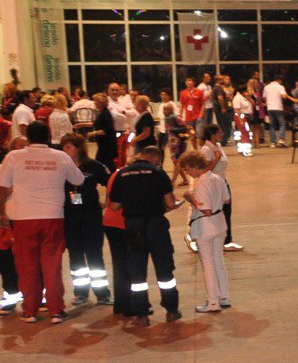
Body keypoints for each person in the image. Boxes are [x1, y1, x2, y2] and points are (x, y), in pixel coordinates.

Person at [0, 121, 86, 322]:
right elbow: (79, 180)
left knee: (26, 265)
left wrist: (2, 214)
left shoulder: (13, 157)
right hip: (52, 217)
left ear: (28, 137)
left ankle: (30, 310)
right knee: (52, 264)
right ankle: (56, 309)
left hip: (22, 218)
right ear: (49, 137)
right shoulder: (61, 156)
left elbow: (2, 188)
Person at [107, 144, 182, 326]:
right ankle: (171, 310)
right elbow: (170, 202)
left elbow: (114, 206)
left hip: (133, 227)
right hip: (156, 226)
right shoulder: (158, 173)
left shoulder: (122, 174)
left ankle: (141, 315)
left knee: (137, 273)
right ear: (155, 158)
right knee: (164, 270)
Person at [60, 133, 110, 307]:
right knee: (75, 255)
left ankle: (102, 294)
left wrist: (108, 203)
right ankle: (81, 292)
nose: (65, 150)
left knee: (94, 254)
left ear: (79, 147)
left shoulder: (93, 166)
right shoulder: (60, 166)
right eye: (63, 147)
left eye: (69, 147)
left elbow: (110, 182)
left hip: (91, 215)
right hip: (70, 216)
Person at [179, 151, 231, 313]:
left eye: (187, 169)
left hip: (206, 227)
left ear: (195, 166)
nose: (187, 173)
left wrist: (191, 199)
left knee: (207, 265)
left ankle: (212, 302)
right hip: (220, 224)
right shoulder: (217, 178)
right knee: (218, 262)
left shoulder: (202, 183)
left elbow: (205, 210)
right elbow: (226, 199)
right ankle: (224, 296)